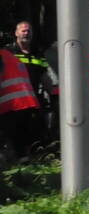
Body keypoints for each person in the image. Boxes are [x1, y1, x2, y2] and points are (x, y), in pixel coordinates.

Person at [6, 20, 55, 151]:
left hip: (33, 97)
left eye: (29, 31)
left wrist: (53, 94)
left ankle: (34, 155)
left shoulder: (37, 53)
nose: (26, 33)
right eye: (23, 30)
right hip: (13, 100)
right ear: (16, 33)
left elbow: (45, 76)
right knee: (15, 130)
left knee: (35, 128)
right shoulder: (8, 52)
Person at [0, 48, 41, 162]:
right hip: (25, 103)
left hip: (11, 105)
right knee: (21, 144)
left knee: (15, 142)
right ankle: (25, 170)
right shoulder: (9, 55)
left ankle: (20, 173)